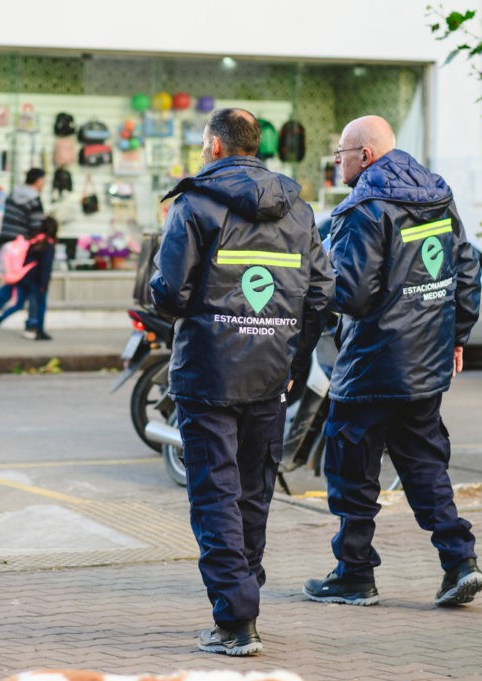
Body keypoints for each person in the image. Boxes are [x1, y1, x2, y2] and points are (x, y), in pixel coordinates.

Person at [150, 108, 334, 656]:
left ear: (213, 145)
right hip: (272, 372)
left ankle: (235, 620)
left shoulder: (195, 203)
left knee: (215, 496)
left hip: (208, 371)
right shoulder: (297, 208)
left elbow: (169, 291)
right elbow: (322, 293)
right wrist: (291, 351)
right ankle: (243, 599)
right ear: (256, 145)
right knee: (253, 493)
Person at [302, 115, 482, 609]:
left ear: (365, 155)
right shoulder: (437, 194)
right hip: (426, 362)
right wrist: (457, 335)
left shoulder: (363, 206)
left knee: (351, 471)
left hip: (371, 365)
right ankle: (460, 563)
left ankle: (354, 574)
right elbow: (465, 269)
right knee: (425, 466)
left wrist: (317, 284)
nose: (336, 160)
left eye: (340, 151)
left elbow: (355, 295)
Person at [0, 168, 47, 338]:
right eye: (44, 180)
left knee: (14, 279)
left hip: (6, 241)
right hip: (20, 245)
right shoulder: (34, 199)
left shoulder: (14, 194)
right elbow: (37, 226)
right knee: (22, 280)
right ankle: (29, 322)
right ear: (39, 181)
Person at [0, 216, 58, 338]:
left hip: (24, 278)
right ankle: (39, 331)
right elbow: (45, 267)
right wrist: (44, 284)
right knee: (40, 305)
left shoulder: (34, 240)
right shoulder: (47, 244)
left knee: (18, 304)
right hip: (37, 281)